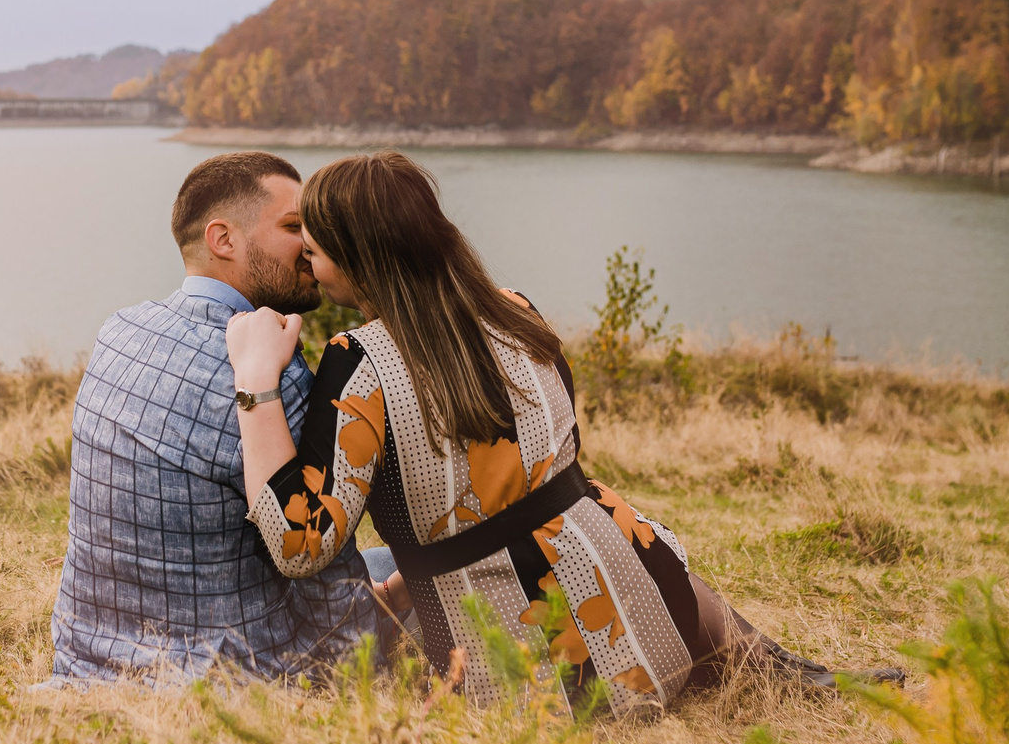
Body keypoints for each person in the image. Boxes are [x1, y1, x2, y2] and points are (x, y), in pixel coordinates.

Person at [225, 151, 866, 714]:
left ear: (361, 256)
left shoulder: (359, 362)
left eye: (315, 248)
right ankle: (785, 671)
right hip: (650, 614)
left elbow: (298, 543)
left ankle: (785, 675)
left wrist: (257, 385)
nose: (306, 258)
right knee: (590, 508)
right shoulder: (514, 308)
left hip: (523, 672)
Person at [47, 151, 380, 683]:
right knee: (393, 567)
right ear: (223, 239)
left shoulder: (119, 330)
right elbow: (322, 567)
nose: (313, 247)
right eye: (294, 226)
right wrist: (365, 671)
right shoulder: (267, 374)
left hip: (88, 653)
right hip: (226, 673)